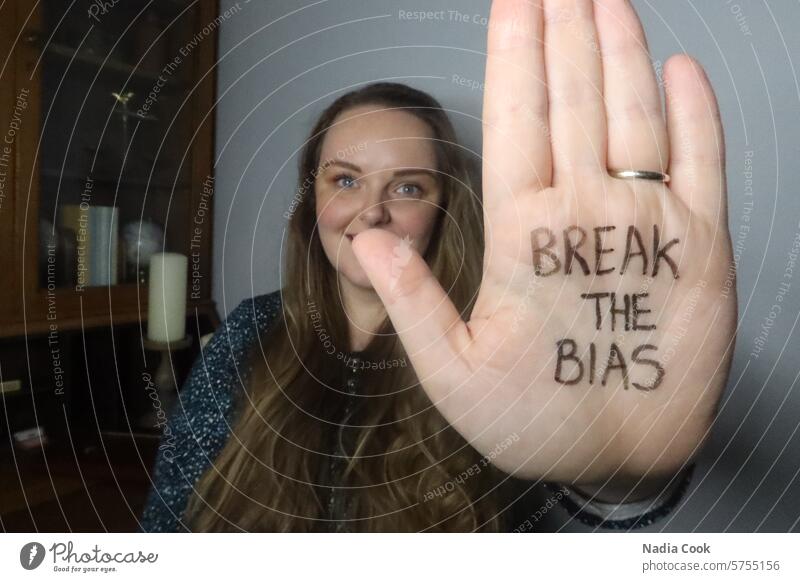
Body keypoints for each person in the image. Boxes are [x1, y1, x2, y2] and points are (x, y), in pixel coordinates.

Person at [141, 0, 734, 532]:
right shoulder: (249, 332)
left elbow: (574, 506)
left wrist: (622, 475)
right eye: (345, 180)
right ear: (310, 200)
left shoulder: (502, 338)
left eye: (407, 187)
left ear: (444, 209)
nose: (370, 212)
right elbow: (164, 528)